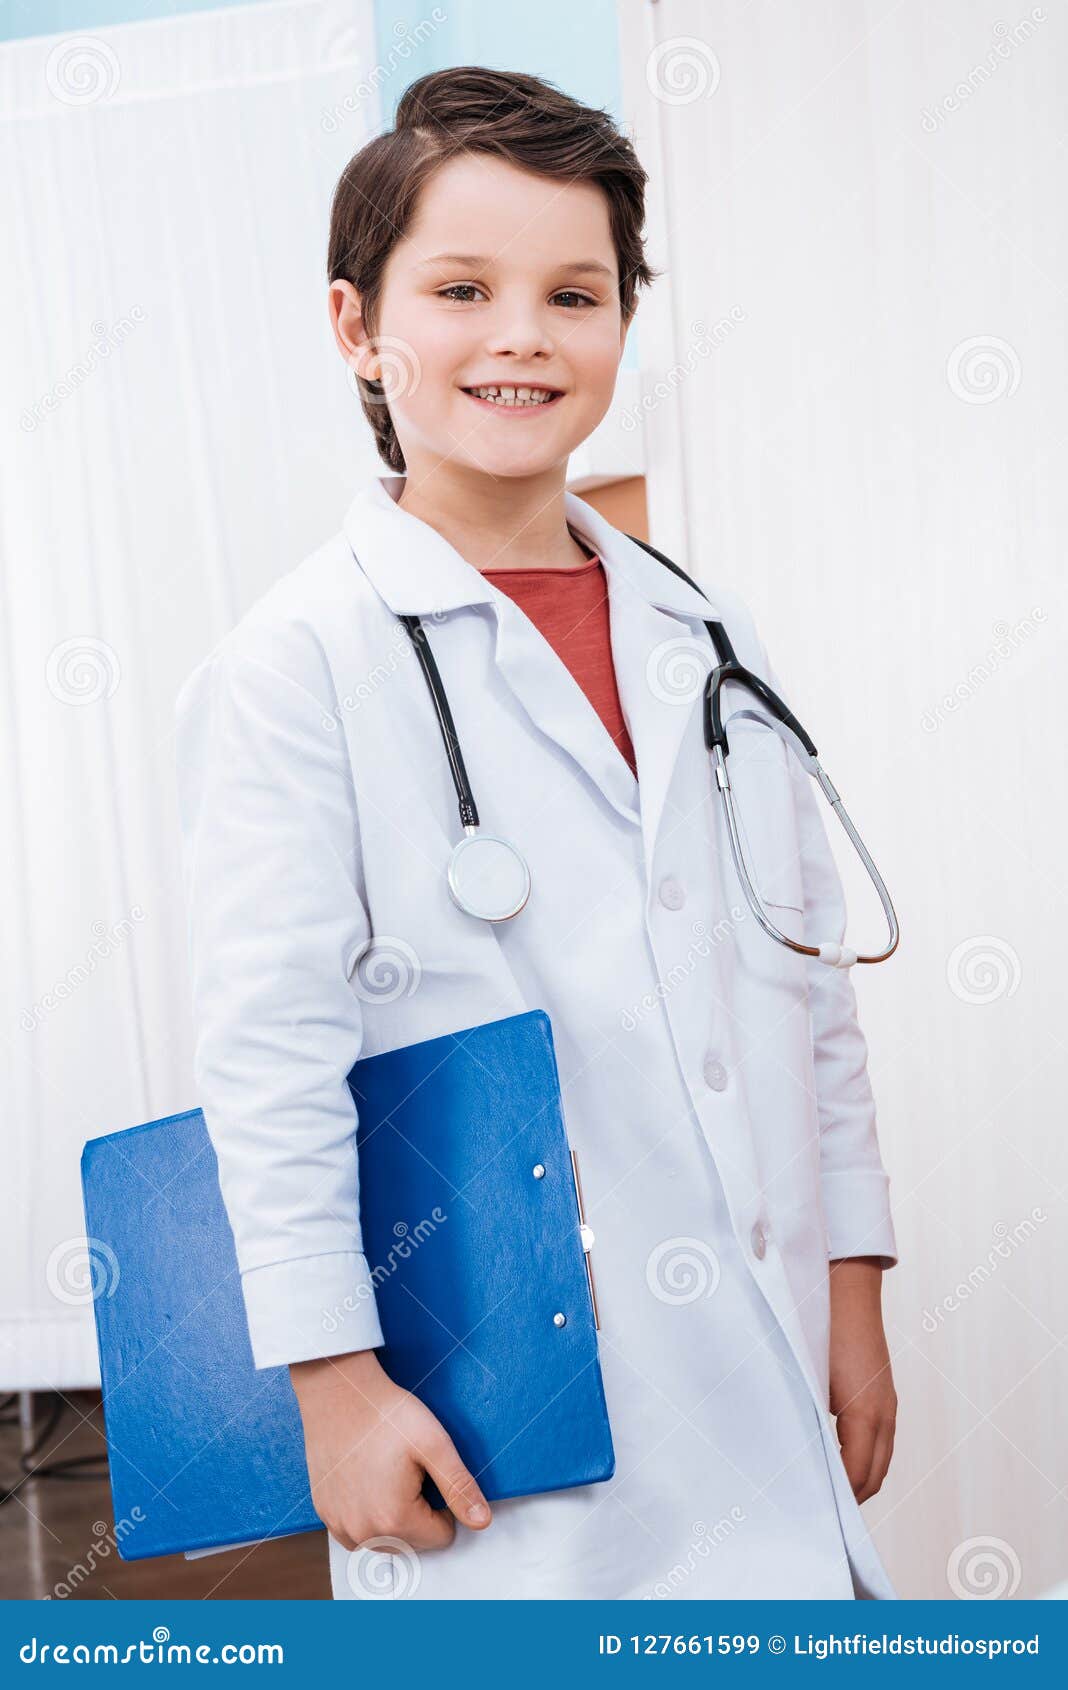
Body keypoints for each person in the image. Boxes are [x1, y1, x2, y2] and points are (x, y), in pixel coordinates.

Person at [174, 65, 899, 1602]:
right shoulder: (297, 662)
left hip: (766, 1368)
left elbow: (809, 985)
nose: (522, 335)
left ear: (625, 320)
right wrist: (333, 1381)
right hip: (511, 1438)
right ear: (357, 327)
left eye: (575, 294)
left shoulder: (707, 633)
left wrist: (852, 1286)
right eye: (461, 290)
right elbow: (270, 1053)